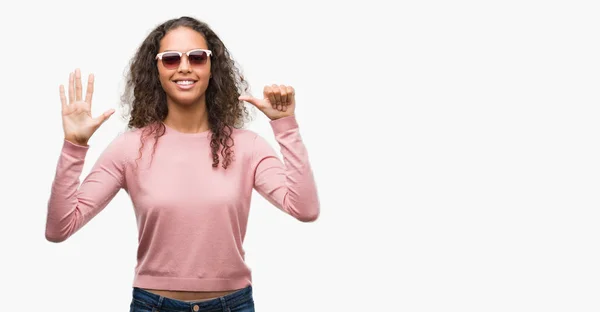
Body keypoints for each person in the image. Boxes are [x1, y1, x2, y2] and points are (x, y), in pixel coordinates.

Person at [45, 16, 320, 311]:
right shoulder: (129, 148)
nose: (185, 67)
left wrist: (285, 125)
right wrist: (75, 145)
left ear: (212, 67)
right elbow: (59, 228)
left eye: (197, 57)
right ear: (157, 70)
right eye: (171, 59)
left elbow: (304, 209)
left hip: (233, 303)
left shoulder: (247, 146)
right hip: (153, 304)